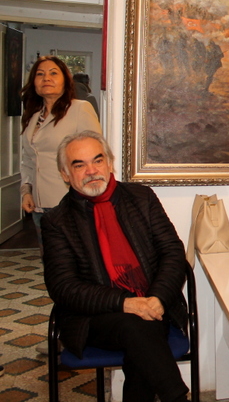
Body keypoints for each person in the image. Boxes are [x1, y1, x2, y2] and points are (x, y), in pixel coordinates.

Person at [42, 131, 190, 402]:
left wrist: (157, 298)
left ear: (109, 163)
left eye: (98, 160)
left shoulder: (141, 198)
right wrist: (125, 303)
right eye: (79, 165)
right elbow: (64, 287)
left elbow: (172, 252)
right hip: (93, 319)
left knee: (142, 333)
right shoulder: (56, 222)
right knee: (138, 327)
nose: (91, 171)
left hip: (153, 304)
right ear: (65, 174)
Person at [20, 56, 101, 249]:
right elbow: (28, 159)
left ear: (65, 80)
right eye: (40, 74)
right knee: (50, 259)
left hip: (71, 203)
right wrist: (26, 192)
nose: (46, 78)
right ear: (34, 83)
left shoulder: (80, 109)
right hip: (40, 205)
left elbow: (95, 156)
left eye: (53, 73)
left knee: (76, 258)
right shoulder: (33, 116)